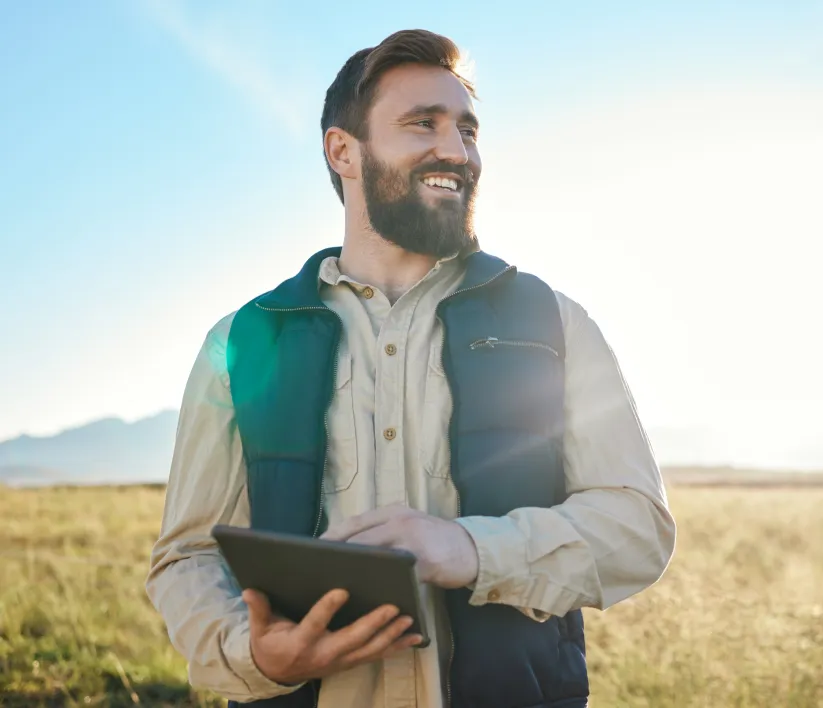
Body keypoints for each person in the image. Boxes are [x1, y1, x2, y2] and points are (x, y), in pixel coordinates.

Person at [146, 28, 675, 708]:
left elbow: (638, 528)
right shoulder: (244, 340)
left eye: (467, 130)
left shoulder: (554, 322)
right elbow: (187, 557)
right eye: (421, 124)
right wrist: (253, 654)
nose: (455, 151)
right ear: (344, 151)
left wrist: (474, 550)